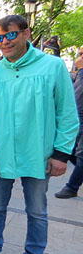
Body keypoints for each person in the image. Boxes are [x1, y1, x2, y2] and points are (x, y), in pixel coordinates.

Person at [0, 15, 78, 254]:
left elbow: (67, 114)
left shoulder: (53, 67)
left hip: (38, 154)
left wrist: (61, 153)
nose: (4, 42)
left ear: (26, 33)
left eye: (10, 35)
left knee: (37, 211)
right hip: (1, 155)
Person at [55, 46, 83, 198]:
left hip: (80, 119)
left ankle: (72, 187)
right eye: (80, 54)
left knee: (80, 154)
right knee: (72, 151)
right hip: (78, 120)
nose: (80, 57)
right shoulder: (79, 73)